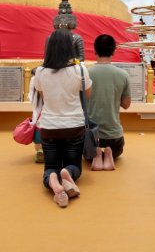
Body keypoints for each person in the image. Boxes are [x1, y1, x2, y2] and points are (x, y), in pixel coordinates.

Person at [34, 29, 92, 208]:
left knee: (50, 166)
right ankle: (67, 173)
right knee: (75, 165)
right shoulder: (80, 70)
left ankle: (53, 178)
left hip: (49, 127)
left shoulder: (40, 72)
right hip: (74, 125)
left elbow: (44, 97)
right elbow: (87, 95)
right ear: (71, 48)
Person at [87, 35, 131, 171]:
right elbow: (126, 104)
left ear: (95, 51)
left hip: (90, 138)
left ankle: (96, 155)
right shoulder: (123, 75)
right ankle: (108, 154)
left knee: (86, 151)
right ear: (113, 51)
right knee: (115, 148)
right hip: (114, 139)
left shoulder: (85, 73)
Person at [28, 68, 44, 163]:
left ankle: (40, 151)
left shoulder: (33, 80)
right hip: (50, 116)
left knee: (37, 139)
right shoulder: (46, 78)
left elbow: (30, 98)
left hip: (37, 116)